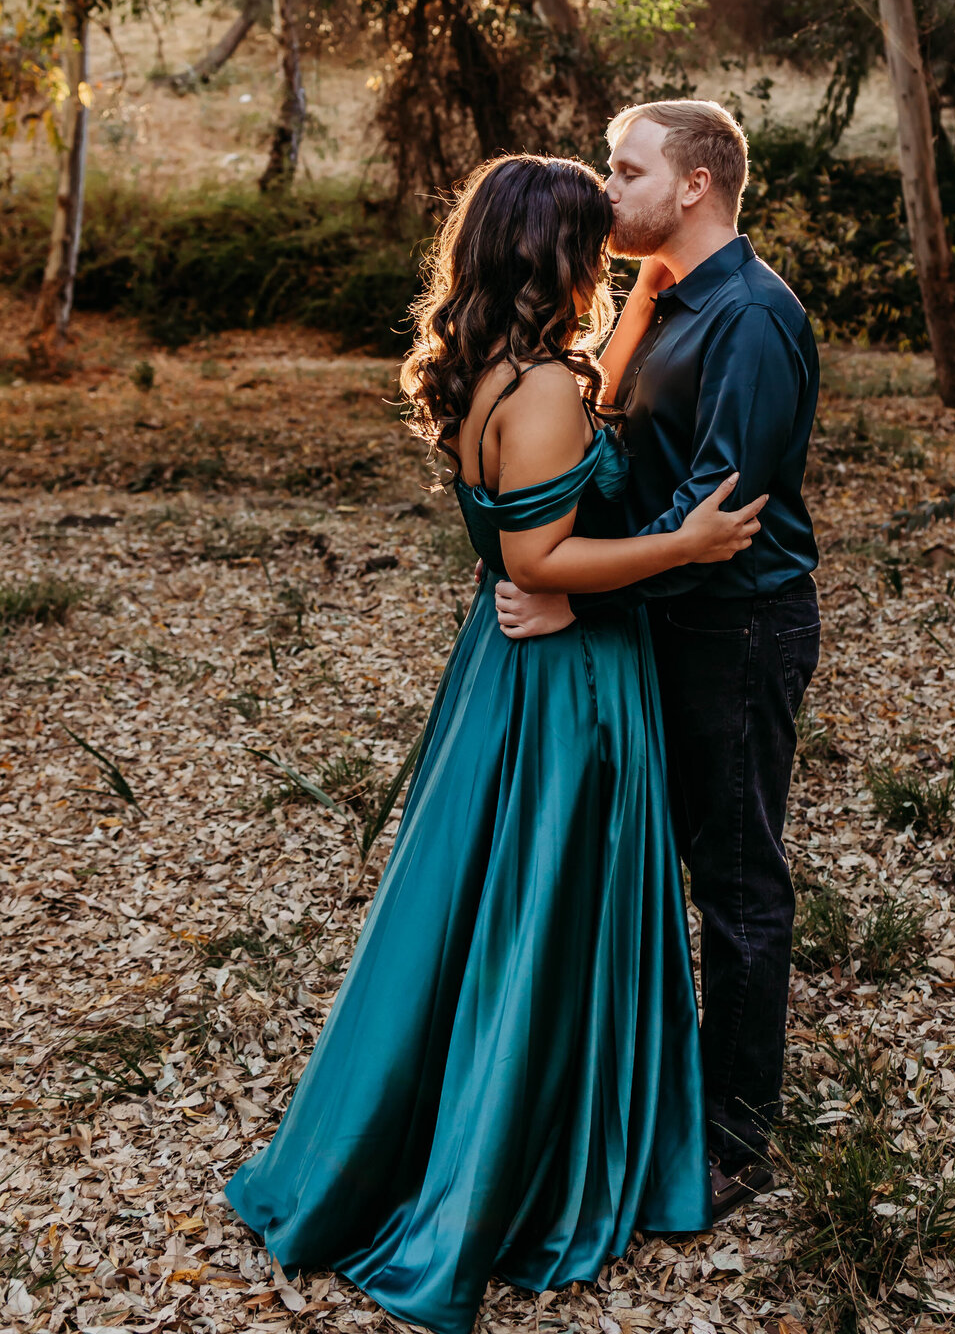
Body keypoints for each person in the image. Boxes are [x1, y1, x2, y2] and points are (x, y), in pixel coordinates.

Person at [224, 153, 768, 1334]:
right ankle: (521, 1162)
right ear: (554, 256)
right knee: (546, 910)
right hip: (564, 677)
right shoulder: (547, 397)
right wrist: (684, 546)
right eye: (592, 237)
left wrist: (639, 308)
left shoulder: (495, 374)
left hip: (499, 672)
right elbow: (539, 563)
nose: (606, 251)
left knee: (477, 905)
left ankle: (435, 1123)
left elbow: (562, 446)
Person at [495, 101, 820, 1219]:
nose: (607, 187)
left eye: (625, 170)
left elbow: (713, 510)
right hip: (665, 620)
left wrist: (574, 597)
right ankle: (652, 1097)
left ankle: (736, 1139)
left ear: (694, 186)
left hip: (736, 624)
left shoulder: (754, 319)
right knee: (656, 862)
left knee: (733, 877)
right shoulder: (663, 298)